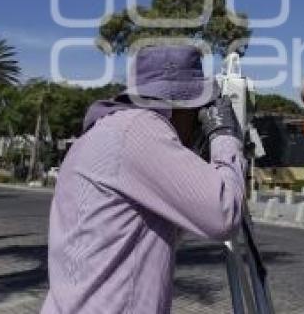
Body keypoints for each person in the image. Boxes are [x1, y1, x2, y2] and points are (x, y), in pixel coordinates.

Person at [41, 45, 247, 314]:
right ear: (179, 105)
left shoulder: (101, 132)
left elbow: (173, 224)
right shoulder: (139, 128)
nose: (198, 122)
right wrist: (224, 134)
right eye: (197, 110)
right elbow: (224, 215)